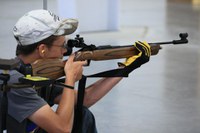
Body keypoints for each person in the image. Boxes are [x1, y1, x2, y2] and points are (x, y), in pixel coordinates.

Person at [0, 9, 151, 133]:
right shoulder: (17, 83)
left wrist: (125, 69)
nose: (65, 51)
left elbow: (84, 99)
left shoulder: (37, 73)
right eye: (62, 46)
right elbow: (62, 129)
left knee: (82, 115)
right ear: (43, 50)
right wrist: (70, 78)